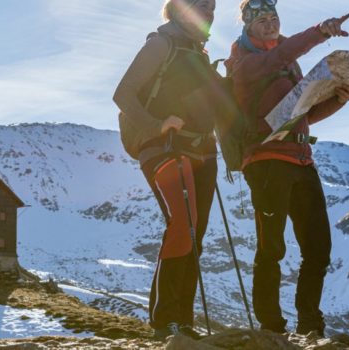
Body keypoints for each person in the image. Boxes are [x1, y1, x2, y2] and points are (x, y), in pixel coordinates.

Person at [225, 0, 349, 336]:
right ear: (248, 25)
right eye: (262, 20)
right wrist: (321, 31)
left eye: (274, 18)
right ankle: (271, 329)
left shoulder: (287, 61)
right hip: (266, 162)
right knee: (272, 248)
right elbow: (276, 58)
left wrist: (338, 99)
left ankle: (310, 325)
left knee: (318, 248)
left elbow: (304, 115)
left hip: (301, 160)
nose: (270, 25)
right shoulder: (245, 62)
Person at [113, 0, 221, 340]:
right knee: (183, 225)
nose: (207, 9)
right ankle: (164, 322)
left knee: (194, 234)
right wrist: (156, 125)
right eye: (199, 3)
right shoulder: (162, 44)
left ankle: (182, 323)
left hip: (203, 150)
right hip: (165, 148)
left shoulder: (199, 54)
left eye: (211, 5)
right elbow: (123, 94)